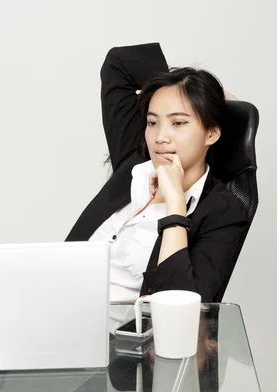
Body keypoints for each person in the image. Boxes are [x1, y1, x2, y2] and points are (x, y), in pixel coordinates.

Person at [66, 42, 248, 303]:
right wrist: (186, 83)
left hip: (114, 337)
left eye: (179, 123)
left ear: (212, 132)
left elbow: (183, 305)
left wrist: (175, 204)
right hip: (52, 303)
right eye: (152, 122)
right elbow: (119, 62)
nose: (160, 137)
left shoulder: (221, 211)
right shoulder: (134, 161)